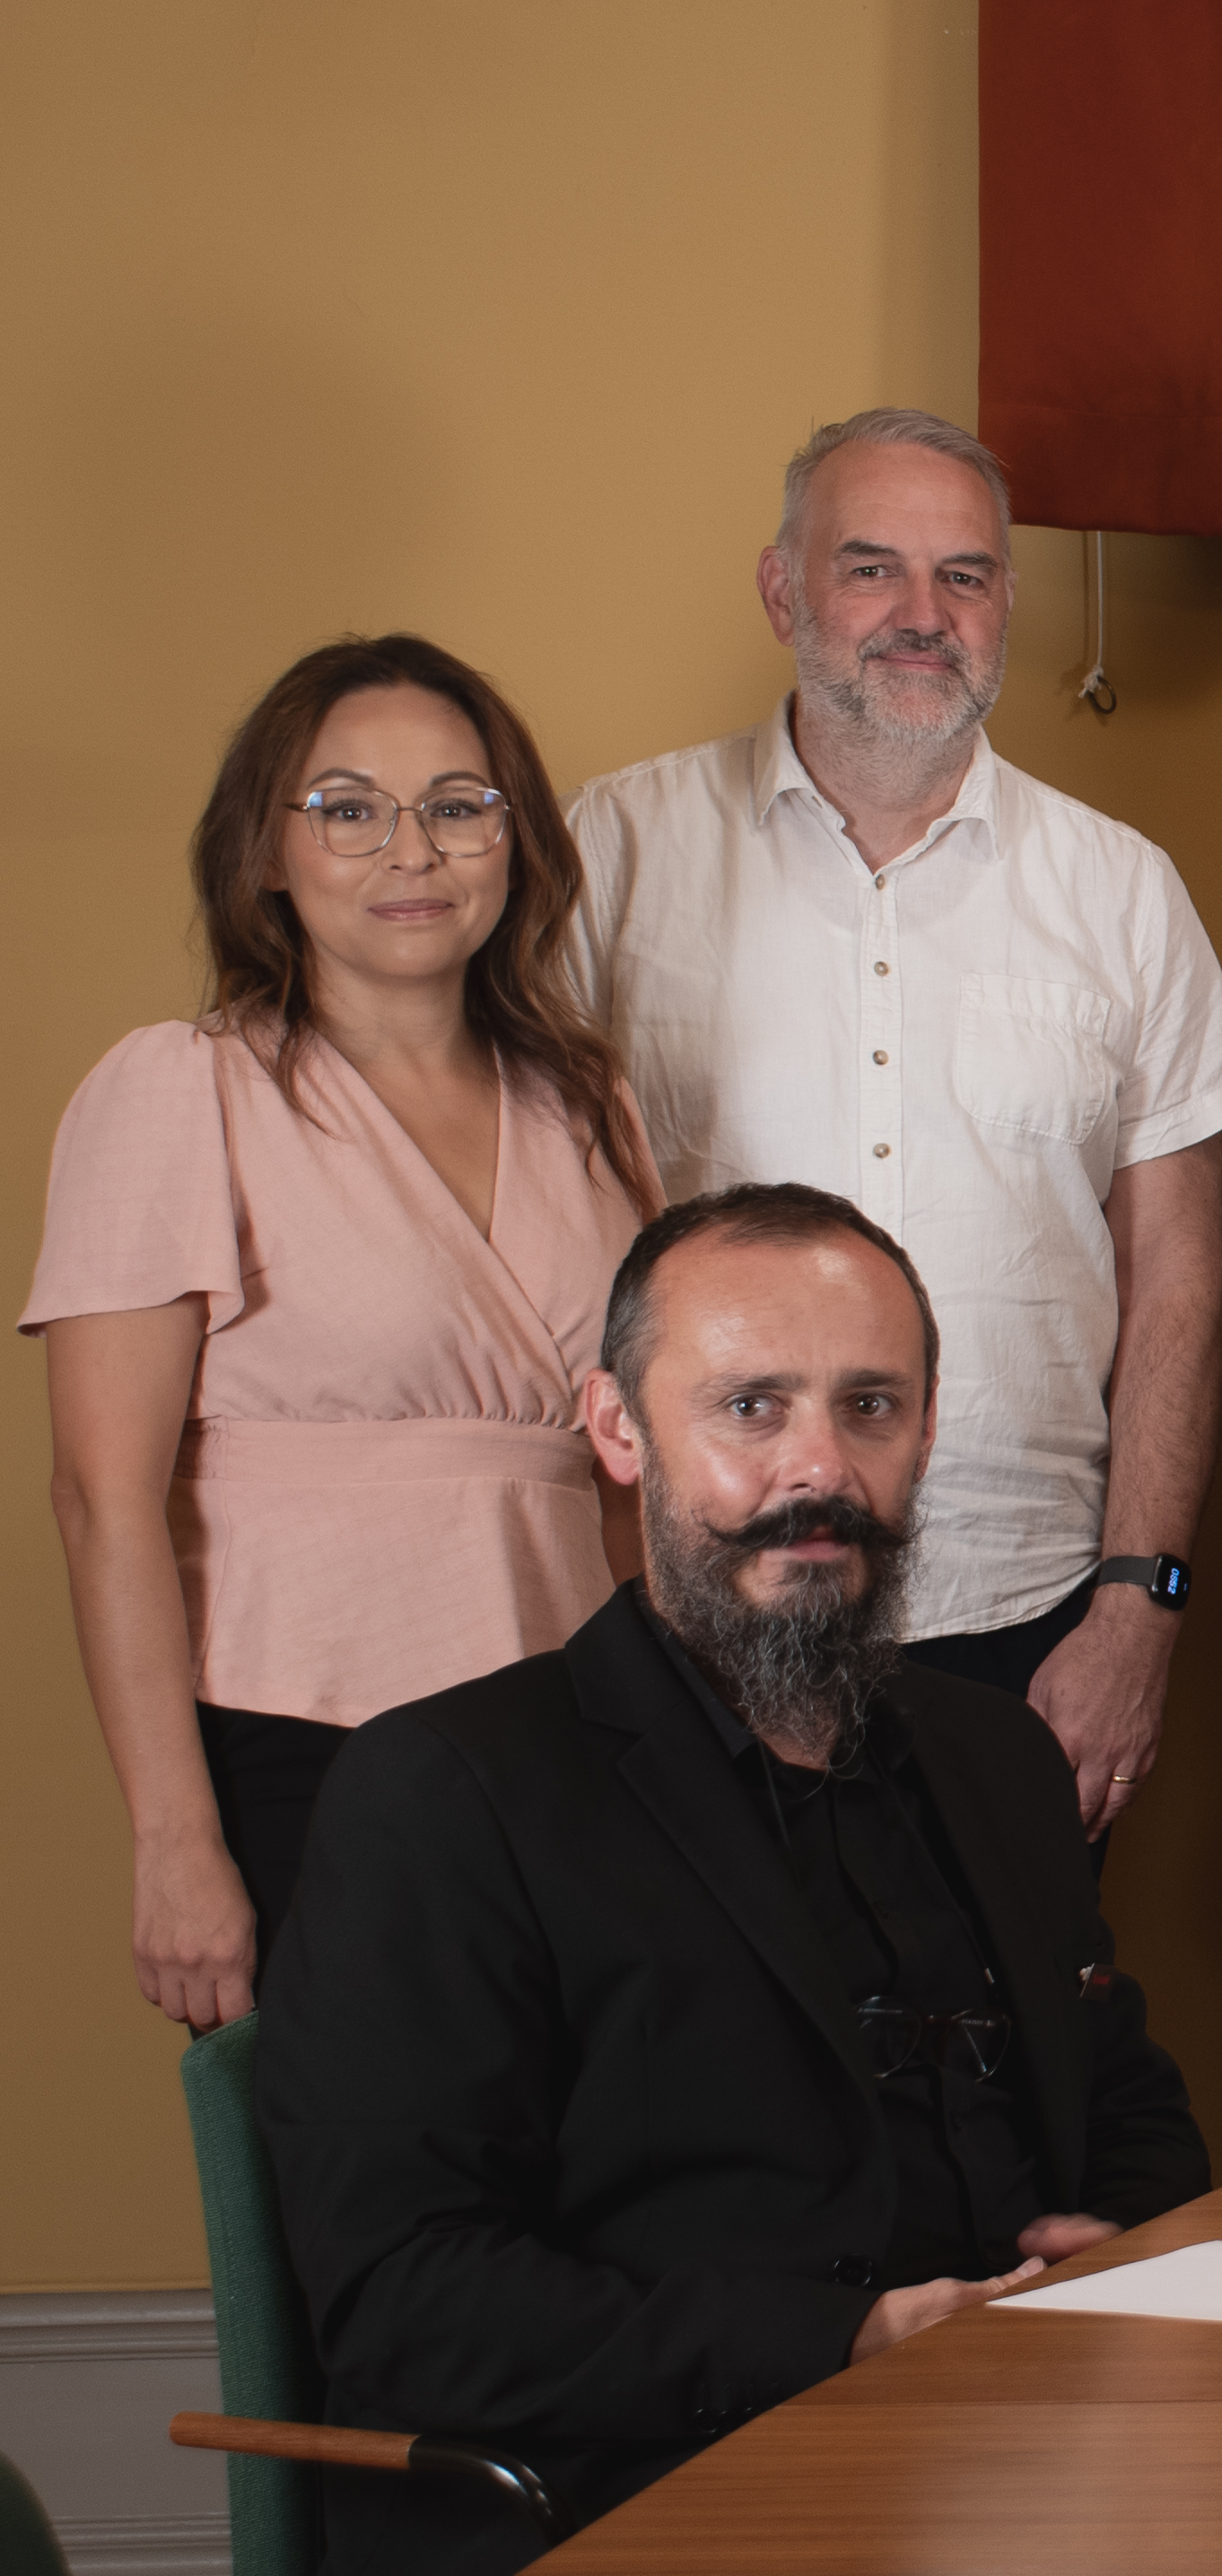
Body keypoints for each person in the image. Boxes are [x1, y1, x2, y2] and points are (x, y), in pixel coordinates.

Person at [250, 1184, 1209, 2576]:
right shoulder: (445, 1794)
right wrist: (847, 2342)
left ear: (927, 1428)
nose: (816, 1471)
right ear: (618, 1430)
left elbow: (1128, 2099)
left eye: (869, 1406)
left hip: (1024, 2513)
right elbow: (408, 2300)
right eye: (750, 1408)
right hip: (620, 2550)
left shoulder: (997, 1760)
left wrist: (1126, 2243)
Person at [564, 407, 1222, 1836]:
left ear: (1008, 601)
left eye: (967, 575)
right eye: (871, 567)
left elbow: (1183, 1283)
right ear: (782, 591)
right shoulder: (612, 856)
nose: (923, 615)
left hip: (1026, 1615)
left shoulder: (1123, 894)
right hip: (695, 1613)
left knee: (1016, 2054)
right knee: (697, 2052)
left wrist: (1141, 1610)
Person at [29, 636, 657, 2028]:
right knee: (375, 2196)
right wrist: (171, 1840)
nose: (410, 850)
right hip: (299, 1733)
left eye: (457, 803)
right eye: (349, 807)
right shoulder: (178, 1089)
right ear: (268, 846)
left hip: (578, 1728)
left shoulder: (589, 1103)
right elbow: (100, 1497)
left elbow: (633, 1481)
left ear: (516, 839)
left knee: (594, 2180)